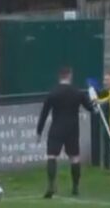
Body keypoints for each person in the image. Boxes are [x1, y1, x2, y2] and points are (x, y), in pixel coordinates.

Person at [36, 67, 94, 198]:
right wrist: (95, 104)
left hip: (57, 127)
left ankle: (51, 184)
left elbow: (44, 113)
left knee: (52, 156)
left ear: (59, 76)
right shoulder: (77, 93)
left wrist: (39, 131)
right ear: (70, 76)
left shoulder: (53, 93)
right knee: (74, 157)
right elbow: (90, 108)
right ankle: (75, 187)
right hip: (73, 129)